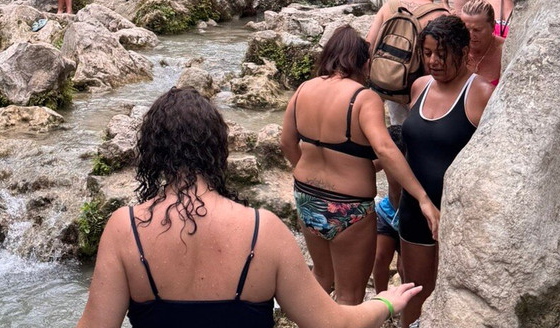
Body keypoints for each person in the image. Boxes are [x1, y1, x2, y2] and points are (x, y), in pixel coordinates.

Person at [77, 87, 424, 328]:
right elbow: (332, 323)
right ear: (218, 150)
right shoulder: (264, 230)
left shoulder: (125, 229)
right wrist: (385, 303)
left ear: (152, 152)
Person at [280, 27, 438, 305]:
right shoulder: (363, 98)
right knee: (349, 295)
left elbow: (287, 142)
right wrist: (422, 197)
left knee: (321, 277)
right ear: (362, 62)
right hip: (348, 206)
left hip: (307, 198)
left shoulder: (304, 89)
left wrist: (309, 172)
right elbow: (385, 149)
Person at [399, 15, 494, 327]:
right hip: (414, 208)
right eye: (427, 54)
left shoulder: (480, 93)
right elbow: (408, 150)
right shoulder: (419, 87)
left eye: (442, 54)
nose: (434, 61)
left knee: (447, 300)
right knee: (412, 295)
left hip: (455, 216)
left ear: (464, 51)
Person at [366, 0, 449, 126]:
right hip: (420, 86)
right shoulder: (441, 16)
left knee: (396, 127)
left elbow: (369, 44)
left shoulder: (390, 6)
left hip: (389, 82)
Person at [372, 125, 406, 295]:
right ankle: (381, 299)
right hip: (388, 212)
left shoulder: (414, 162)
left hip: (410, 217)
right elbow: (369, 166)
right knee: (379, 258)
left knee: (403, 268)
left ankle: (409, 306)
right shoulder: (384, 156)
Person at [460, 0, 504, 85]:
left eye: (477, 30)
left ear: (493, 26)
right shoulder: (454, 48)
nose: (471, 35)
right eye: (466, 29)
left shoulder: (506, 50)